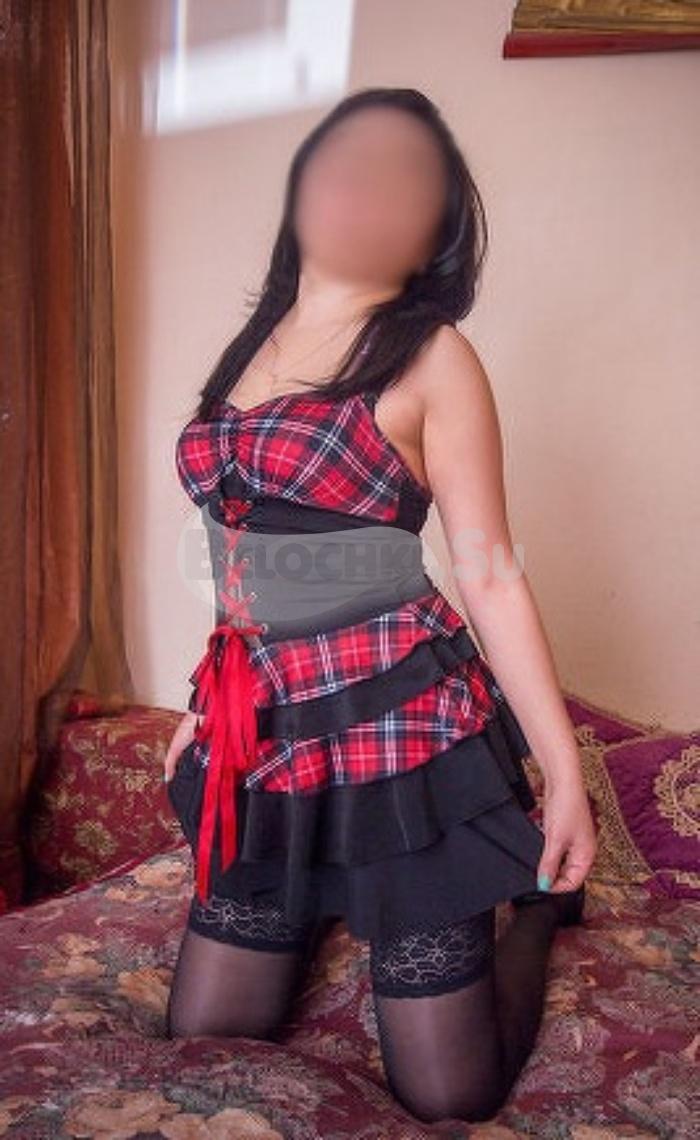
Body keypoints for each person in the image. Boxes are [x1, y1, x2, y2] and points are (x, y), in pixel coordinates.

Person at [163, 87, 597, 1124]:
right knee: (203, 1033)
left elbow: (489, 570)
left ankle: (537, 911)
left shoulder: (431, 355)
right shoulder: (254, 340)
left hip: (398, 723)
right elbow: (240, 548)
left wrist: (566, 773)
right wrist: (205, 700)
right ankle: (328, 883)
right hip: (266, 723)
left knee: (448, 1091)